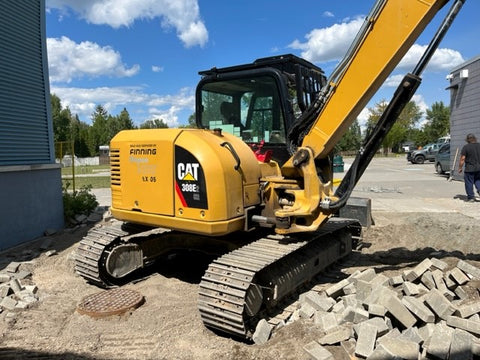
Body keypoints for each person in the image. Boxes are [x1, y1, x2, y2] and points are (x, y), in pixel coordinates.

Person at [458, 133, 480, 202]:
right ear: (475, 139)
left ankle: (471, 197)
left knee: (469, 182)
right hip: (479, 168)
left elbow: (462, 159)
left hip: (469, 169)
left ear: (468, 140)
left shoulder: (466, 147)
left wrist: (460, 167)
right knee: (478, 180)